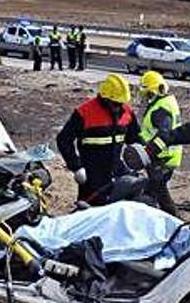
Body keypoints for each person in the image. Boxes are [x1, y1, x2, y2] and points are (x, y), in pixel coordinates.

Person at [56, 73, 140, 206]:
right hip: (92, 175)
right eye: (115, 103)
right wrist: (76, 167)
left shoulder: (127, 112)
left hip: (117, 171)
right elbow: (63, 140)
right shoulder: (84, 112)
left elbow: (134, 139)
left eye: (121, 103)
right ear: (105, 98)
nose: (118, 107)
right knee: (90, 213)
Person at [137, 71, 182, 216]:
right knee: (157, 191)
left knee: (157, 192)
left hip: (161, 157)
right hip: (165, 156)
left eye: (149, 94)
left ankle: (175, 222)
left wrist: (148, 151)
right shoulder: (166, 102)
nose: (146, 98)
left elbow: (164, 134)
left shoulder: (160, 110)